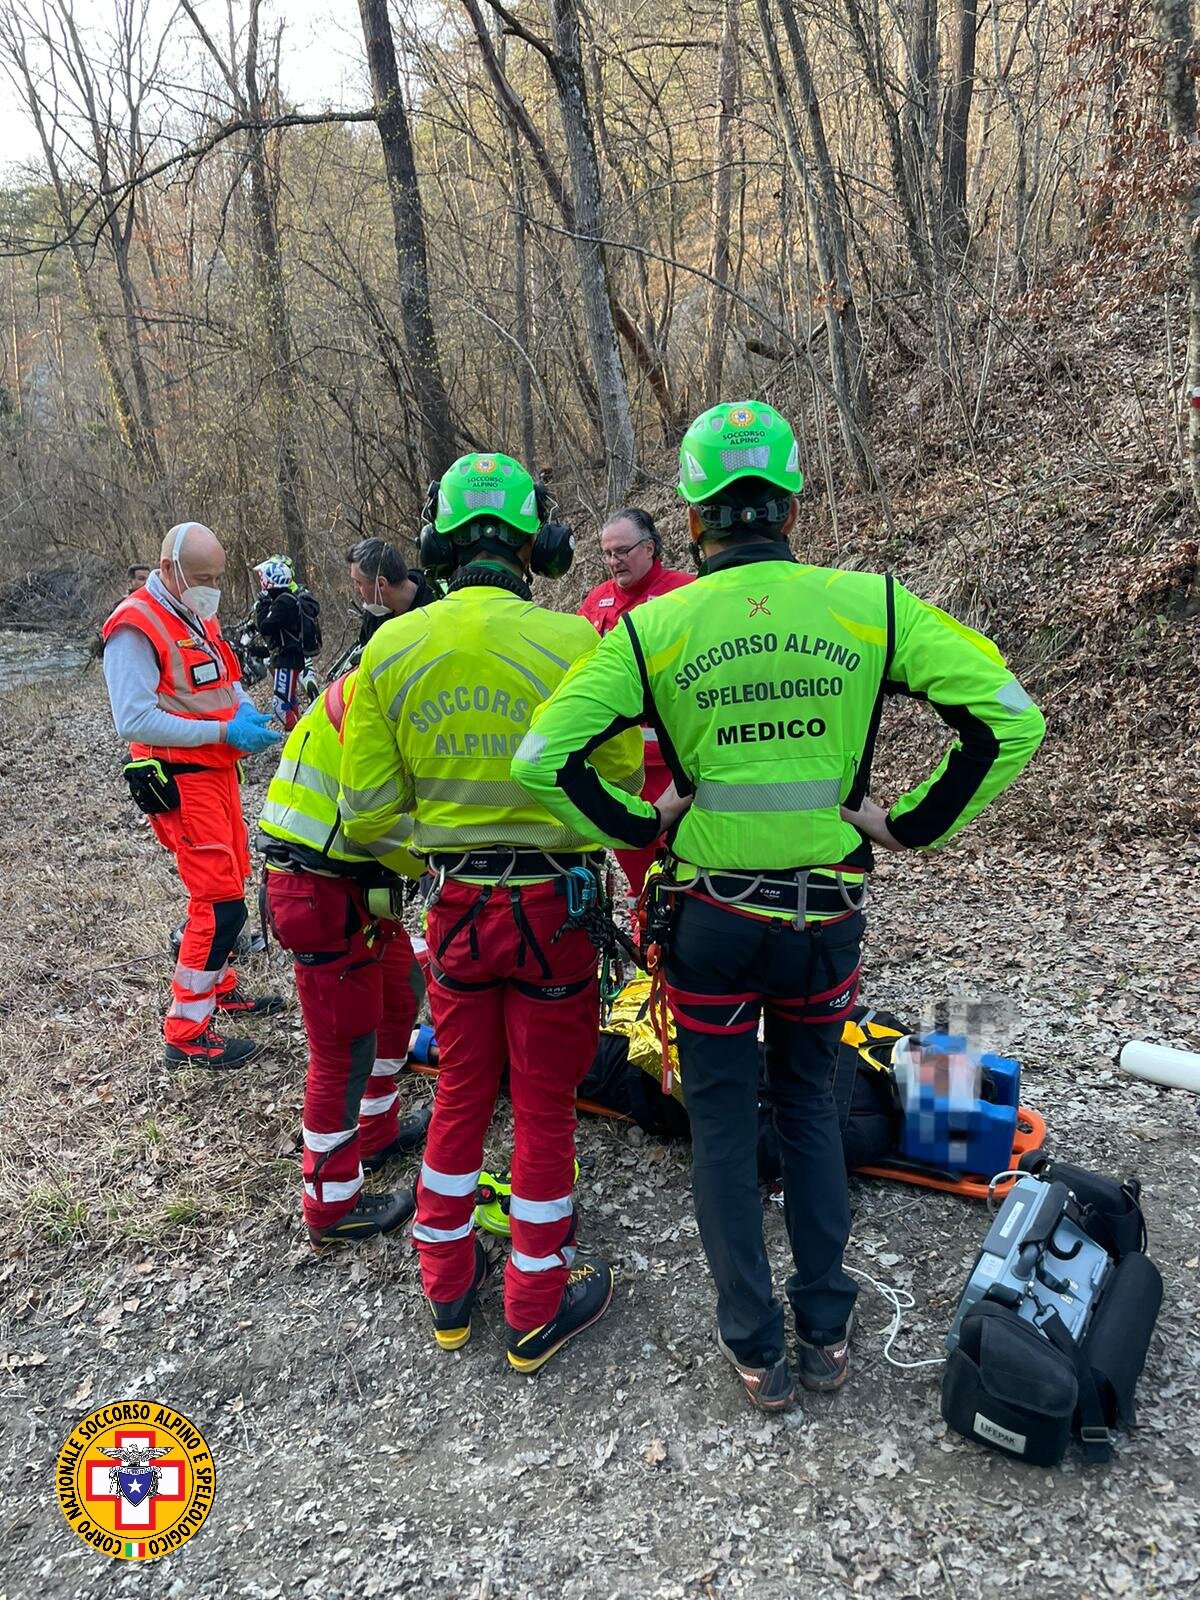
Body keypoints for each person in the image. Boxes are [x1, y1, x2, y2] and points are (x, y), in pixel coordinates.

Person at [512, 399, 1046, 1412]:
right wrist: (908, 823)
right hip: (822, 922)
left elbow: (542, 756)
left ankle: (756, 1351)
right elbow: (1010, 720)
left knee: (719, 1124)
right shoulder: (870, 605)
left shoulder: (654, 625)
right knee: (806, 1106)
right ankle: (828, 1332)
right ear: (793, 503)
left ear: (697, 516)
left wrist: (644, 817)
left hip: (710, 924)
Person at [338, 452, 643, 1372]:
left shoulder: (389, 648)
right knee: (547, 1107)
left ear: (435, 542)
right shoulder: (576, 646)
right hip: (554, 913)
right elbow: (619, 783)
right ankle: (535, 1306)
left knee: (463, 1094)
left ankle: (447, 1293)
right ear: (536, 544)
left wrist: (435, 848)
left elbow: (364, 816)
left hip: (458, 912)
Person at [259, 671, 431, 1251]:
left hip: (351, 881)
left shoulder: (390, 680)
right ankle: (330, 1205)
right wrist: (433, 861)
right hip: (315, 889)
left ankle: (378, 1133)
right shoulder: (385, 695)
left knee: (401, 993)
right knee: (342, 1050)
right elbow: (373, 812)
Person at [102, 521, 284, 1068]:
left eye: (217, 577)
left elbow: (219, 681)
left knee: (231, 879)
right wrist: (222, 732)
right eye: (202, 576)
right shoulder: (133, 627)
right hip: (182, 779)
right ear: (168, 570)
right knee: (220, 905)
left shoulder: (194, 613)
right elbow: (133, 718)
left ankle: (219, 986)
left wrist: (243, 709)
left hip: (217, 772)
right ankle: (186, 1029)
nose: (212, 587)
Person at [577, 509, 692, 911]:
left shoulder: (688, 592)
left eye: (622, 550)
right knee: (639, 877)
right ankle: (650, 952)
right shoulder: (596, 602)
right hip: (622, 768)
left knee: (684, 871)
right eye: (607, 554)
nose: (614, 561)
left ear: (650, 547)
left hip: (681, 764)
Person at [347, 537, 435, 650]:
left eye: (359, 583)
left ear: (381, 584)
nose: (356, 590)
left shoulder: (437, 601)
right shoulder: (373, 618)